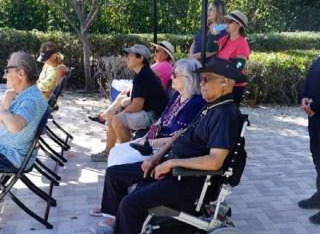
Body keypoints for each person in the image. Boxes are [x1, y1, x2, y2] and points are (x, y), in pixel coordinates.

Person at [93, 57, 244, 234]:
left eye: (206, 79)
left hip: (188, 179)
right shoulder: (210, 107)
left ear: (224, 84)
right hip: (173, 165)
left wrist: (171, 163)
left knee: (130, 203)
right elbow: (181, 134)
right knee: (115, 174)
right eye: (200, 79)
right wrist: (156, 158)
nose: (201, 84)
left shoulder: (225, 115)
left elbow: (215, 161)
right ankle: (116, 221)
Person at [89, 58, 206, 217]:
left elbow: (180, 136)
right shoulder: (177, 96)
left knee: (119, 162)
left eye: (175, 75)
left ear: (188, 79)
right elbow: (162, 119)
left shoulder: (195, 103)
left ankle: (113, 209)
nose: (171, 77)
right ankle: (113, 205)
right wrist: (146, 137)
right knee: (116, 153)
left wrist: (149, 141)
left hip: (165, 150)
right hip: (154, 142)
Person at [91, 44, 168, 162]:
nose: (127, 58)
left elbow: (137, 105)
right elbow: (135, 101)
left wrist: (120, 113)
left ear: (140, 58)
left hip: (155, 117)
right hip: (148, 112)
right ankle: (108, 152)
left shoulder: (144, 76)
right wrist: (118, 110)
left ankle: (126, 155)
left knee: (117, 119)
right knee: (113, 115)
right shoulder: (141, 74)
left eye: (131, 55)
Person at [0, 51, 48, 171]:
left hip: (10, 156)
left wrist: (5, 105)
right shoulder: (28, 94)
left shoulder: (30, 100)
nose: (4, 76)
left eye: (7, 71)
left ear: (20, 73)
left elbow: (15, 126)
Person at [298, 56, 320, 224]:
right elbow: (310, 77)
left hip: (316, 111)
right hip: (315, 118)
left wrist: (314, 106)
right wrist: (304, 97)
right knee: (317, 157)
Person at [217, 10, 250, 107]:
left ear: (238, 25)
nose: (227, 23)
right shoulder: (224, 39)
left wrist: (229, 76)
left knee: (230, 114)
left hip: (234, 86)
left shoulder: (242, 42)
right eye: (226, 21)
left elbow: (240, 64)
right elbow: (210, 46)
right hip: (221, 82)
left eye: (230, 21)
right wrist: (214, 31)